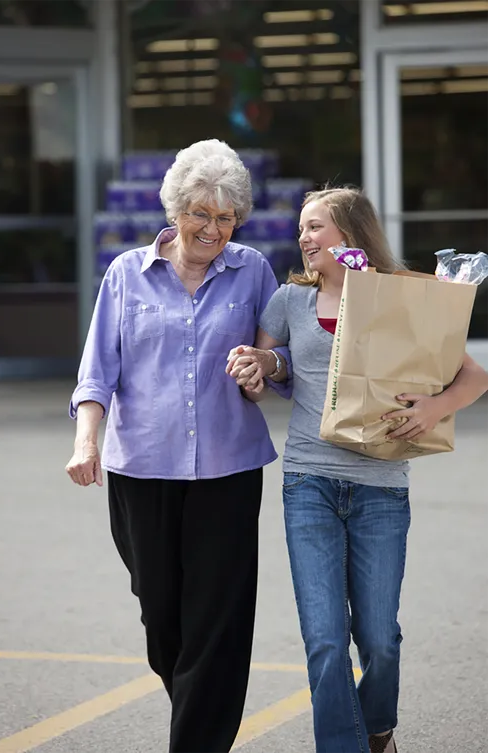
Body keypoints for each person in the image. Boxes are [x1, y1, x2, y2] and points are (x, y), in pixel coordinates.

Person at [227, 187, 488, 753]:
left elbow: (473, 375)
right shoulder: (290, 301)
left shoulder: (398, 297)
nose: (304, 238)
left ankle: (377, 729)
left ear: (351, 233)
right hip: (308, 482)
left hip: (382, 486)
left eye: (316, 226)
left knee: (380, 638)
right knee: (324, 641)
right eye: (302, 228)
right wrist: (256, 369)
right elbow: (267, 373)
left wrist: (435, 408)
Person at [65, 139, 291, 753]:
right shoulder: (125, 275)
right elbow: (96, 375)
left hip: (229, 469)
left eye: (225, 217)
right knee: (161, 619)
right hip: (140, 469)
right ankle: (201, 715)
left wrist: (264, 368)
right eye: (200, 213)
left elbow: (282, 361)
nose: (212, 228)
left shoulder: (254, 272)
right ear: (174, 211)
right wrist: (87, 443)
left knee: (217, 624)